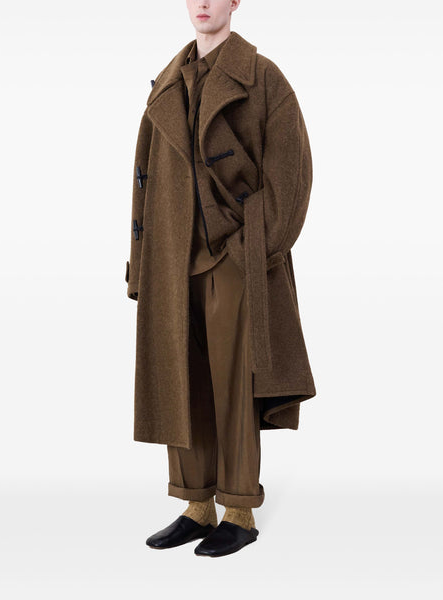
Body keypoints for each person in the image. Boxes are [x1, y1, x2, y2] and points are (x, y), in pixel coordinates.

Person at [126, 0, 316, 558]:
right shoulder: (167, 83)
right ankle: (196, 506)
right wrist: (141, 262)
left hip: (233, 260)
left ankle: (238, 510)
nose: (204, 3)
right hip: (171, 260)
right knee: (180, 383)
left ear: (235, 2)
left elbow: (292, 178)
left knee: (233, 386)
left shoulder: (263, 78)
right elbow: (143, 180)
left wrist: (250, 249)